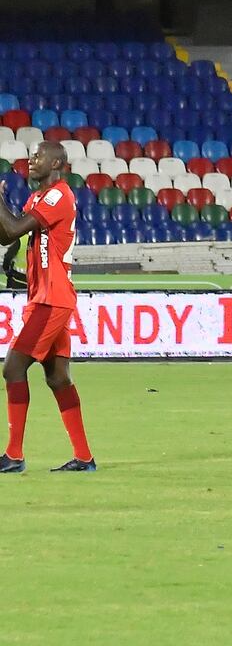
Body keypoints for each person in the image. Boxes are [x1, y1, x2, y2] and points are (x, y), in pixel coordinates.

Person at [0, 142, 94, 474]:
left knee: (12, 368)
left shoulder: (58, 195)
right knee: (57, 379)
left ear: (56, 162)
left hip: (51, 299)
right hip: (45, 296)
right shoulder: (38, 198)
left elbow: (12, 228)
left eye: (38, 156)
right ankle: (84, 458)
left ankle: (14, 455)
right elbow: (6, 235)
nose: (31, 161)